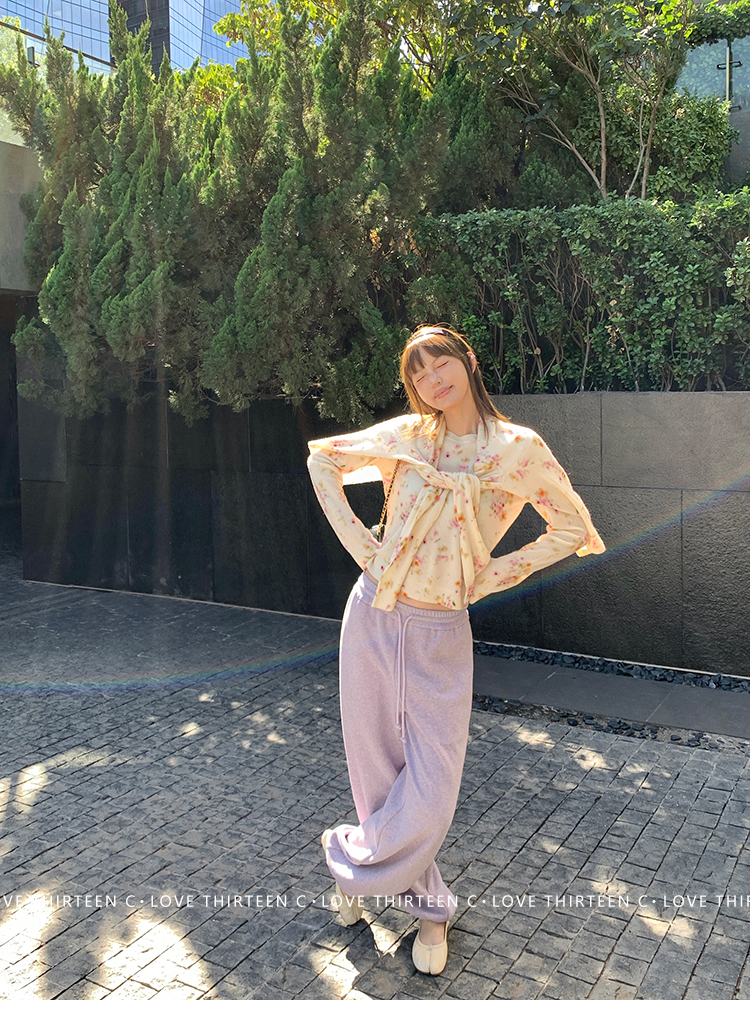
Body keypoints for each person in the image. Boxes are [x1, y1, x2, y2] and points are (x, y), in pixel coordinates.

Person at [307, 324, 605, 976]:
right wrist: (367, 551)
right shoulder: (411, 436)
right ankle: (429, 909)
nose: (431, 379)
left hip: (441, 625)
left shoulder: (518, 449)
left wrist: (490, 575)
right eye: (417, 373)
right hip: (373, 613)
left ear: (467, 360)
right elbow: (323, 461)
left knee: (433, 783)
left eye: (439, 362)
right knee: (374, 770)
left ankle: (352, 860)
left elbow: (572, 526)